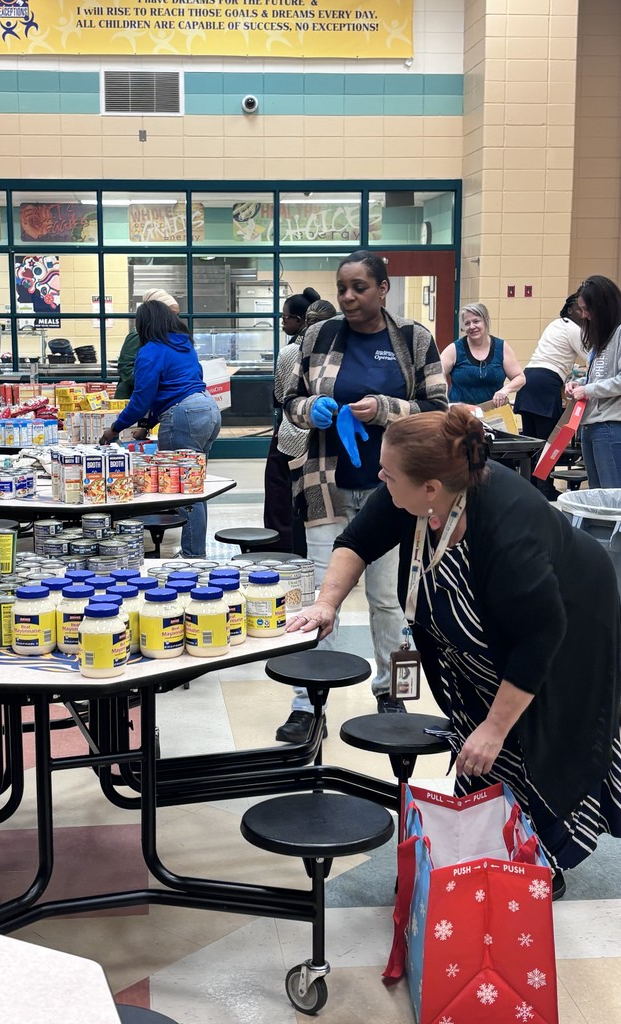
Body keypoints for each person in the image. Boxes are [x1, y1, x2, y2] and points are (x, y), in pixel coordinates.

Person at [289, 406, 621, 886]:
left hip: (570, 620)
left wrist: (494, 727)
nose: (380, 477)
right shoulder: (416, 492)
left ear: (429, 489)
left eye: (388, 473)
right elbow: (356, 541)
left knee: (527, 734)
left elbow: (539, 637)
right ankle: (489, 838)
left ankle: (537, 859)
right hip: (499, 628)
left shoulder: (509, 532)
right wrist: (326, 604)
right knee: (480, 728)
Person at [276, 250, 448, 743]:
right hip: (326, 488)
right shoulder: (318, 336)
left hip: (394, 495)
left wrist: (384, 409)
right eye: (342, 288)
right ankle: (306, 702)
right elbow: (288, 401)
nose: (348, 297)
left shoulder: (414, 340)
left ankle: (392, 693)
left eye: (360, 288)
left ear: (383, 288)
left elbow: (437, 408)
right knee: (316, 599)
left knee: (389, 601)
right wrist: (313, 408)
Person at [100, 300, 220, 558]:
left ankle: (192, 556)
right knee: (193, 485)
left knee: (184, 491)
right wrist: (147, 425)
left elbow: (142, 398)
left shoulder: (150, 351)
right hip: (207, 409)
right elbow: (174, 388)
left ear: (144, 325)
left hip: (184, 415)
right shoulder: (184, 344)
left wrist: (114, 428)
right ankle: (194, 552)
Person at [263, 287, 324, 554]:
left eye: (285, 317)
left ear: (300, 321)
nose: (283, 322)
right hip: (323, 437)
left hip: (292, 436)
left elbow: (280, 395)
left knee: (282, 500)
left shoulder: (290, 353)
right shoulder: (334, 351)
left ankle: (282, 550)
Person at [514, 292, 585, 500]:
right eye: (580, 309)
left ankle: (531, 488)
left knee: (532, 441)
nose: (584, 313)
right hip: (546, 383)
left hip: (528, 380)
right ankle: (544, 488)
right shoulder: (573, 328)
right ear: (570, 310)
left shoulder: (555, 325)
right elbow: (591, 355)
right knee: (549, 441)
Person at [565, 274, 621, 488]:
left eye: (587, 309)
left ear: (603, 306)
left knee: (611, 495)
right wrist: (579, 385)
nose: (585, 315)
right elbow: (600, 378)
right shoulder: (601, 339)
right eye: (581, 309)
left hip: (610, 425)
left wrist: (589, 389)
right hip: (590, 425)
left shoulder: (619, 333)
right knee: (595, 495)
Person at [441, 303, 525, 407]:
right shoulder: (454, 349)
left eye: (476, 321)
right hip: (462, 416)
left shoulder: (501, 347)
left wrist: (505, 390)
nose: (472, 326)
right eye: (467, 323)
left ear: (486, 321)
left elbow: (520, 378)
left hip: (494, 412)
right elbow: (434, 376)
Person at [115, 289, 179, 400]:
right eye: (172, 314)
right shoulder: (137, 337)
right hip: (131, 397)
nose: (176, 319)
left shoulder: (171, 338)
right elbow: (126, 368)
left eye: (177, 314)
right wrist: (154, 382)